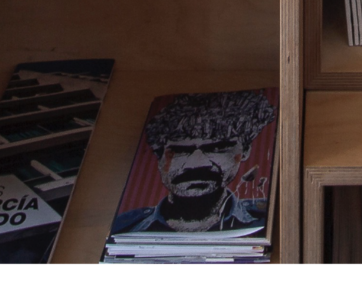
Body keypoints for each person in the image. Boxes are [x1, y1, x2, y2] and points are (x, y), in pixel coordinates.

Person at [109, 90, 275, 236]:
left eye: (217, 148)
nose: (196, 164)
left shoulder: (270, 218)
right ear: (159, 155)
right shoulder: (122, 228)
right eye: (181, 151)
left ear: (244, 151)